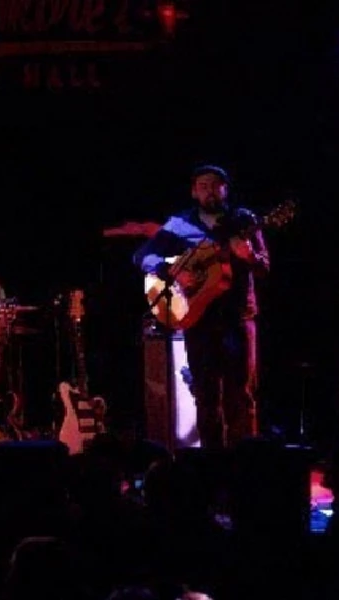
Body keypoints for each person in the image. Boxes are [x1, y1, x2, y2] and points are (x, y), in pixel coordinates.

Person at [132, 164, 269, 449]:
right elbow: (142, 256)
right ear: (194, 192)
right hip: (198, 321)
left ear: (225, 190)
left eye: (216, 184)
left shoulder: (244, 221)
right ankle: (212, 464)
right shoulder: (178, 225)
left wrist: (250, 255)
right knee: (206, 396)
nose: (210, 190)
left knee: (240, 395)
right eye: (203, 185)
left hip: (238, 318)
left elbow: (264, 267)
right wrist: (174, 271)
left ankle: (245, 462)